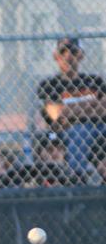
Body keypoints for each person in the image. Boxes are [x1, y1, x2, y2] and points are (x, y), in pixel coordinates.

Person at [37, 37, 106, 175]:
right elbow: (57, 115)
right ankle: (77, 179)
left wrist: (70, 110)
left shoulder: (94, 80)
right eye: (63, 51)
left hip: (100, 129)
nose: (68, 56)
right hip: (62, 132)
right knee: (80, 131)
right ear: (56, 56)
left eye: (73, 52)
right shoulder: (50, 84)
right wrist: (92, 105)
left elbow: (104, 108)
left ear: (81, 55)